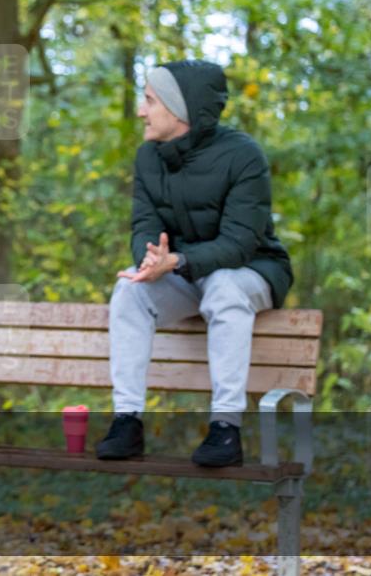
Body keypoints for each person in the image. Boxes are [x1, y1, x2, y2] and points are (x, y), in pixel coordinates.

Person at [95, 60, 293, 468]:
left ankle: (226, 428)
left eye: (149, 100)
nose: (140, 110)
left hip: (253, 270)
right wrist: (149, 260)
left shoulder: (244, 156)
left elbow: (239, 244)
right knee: (129, 290)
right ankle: (126, 420)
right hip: (182, 272)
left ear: (179, 109)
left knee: (223, 284)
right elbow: (144, 222)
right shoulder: (149, 157)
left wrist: (178, 260)